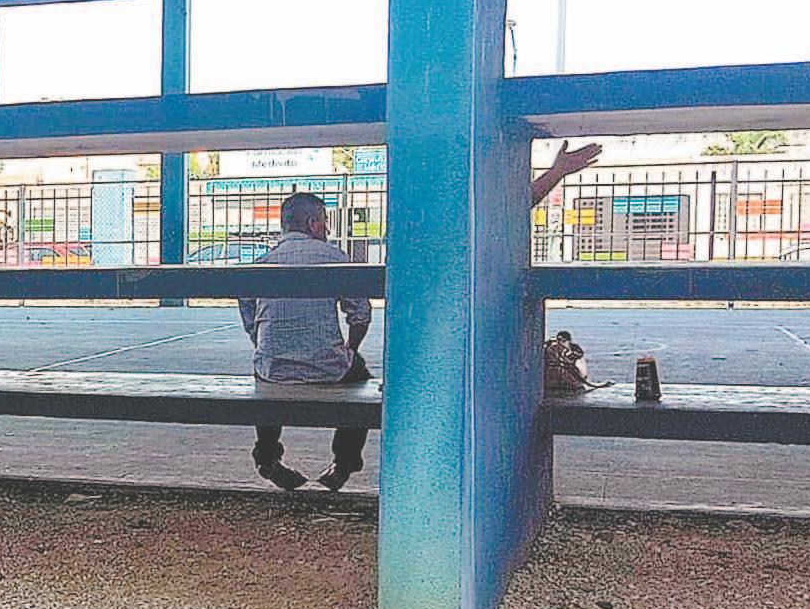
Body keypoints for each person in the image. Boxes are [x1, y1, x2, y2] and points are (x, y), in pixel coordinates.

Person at [240, 141, 601, 491]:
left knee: (266, 372)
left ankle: (268, 456)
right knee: (362, 378)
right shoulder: (339, 256)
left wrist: (265, 342)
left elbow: (250, 314)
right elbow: (361, 314)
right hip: (438, 339)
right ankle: (345, 462)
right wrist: (349, 349)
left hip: (279, 365)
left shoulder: (260, 263)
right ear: (314, 223)